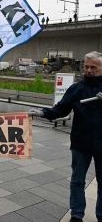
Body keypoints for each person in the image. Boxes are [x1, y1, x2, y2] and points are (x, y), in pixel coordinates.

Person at [29, 51, 102, 222]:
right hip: (81, 142)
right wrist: (42, 113)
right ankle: (76, 215)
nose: (89, 70)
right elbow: (60, 109)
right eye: (86, 66)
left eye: (93, 67)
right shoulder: (77, 89)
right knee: (77, 181)